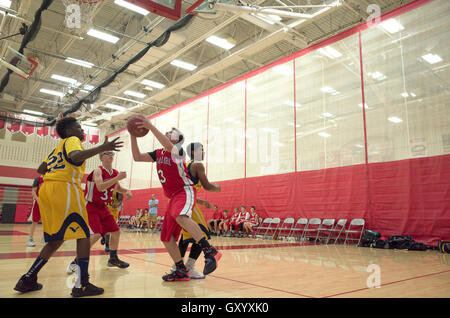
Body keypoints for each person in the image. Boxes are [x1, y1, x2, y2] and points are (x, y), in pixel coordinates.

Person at [14, 116, 123, 297]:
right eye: (78, 127)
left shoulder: (57, 148)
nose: (82, 130)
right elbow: (74, 156)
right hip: (64, 189)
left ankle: (28, 278)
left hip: (48, 190)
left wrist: (57, 170)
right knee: (83, 235)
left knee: (56, 240)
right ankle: (82, 284)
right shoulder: (72, 141)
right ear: (69, 131)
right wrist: (103, 147)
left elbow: (41, 169)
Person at [131, 119, 222, 282]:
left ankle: (210, 251)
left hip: (184, 191)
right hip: (173, 197)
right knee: (166, 237)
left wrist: (150, 126)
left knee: (182, 217)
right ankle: (180, 269)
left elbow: (167, 145)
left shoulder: (178, 151)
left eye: (172, 132)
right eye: (168, 131)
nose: (168, 132)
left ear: (178, 140)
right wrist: (133, 136)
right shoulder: (158, 153)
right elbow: (137, 157)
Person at [67, 150, 132, 273]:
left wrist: (126, 190)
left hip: (102, 206)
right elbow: (100, 186)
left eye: (112, 154)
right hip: (90, 205)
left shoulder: (114, 173)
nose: (110, 156)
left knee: (116, 231)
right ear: (101, 157)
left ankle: (113, 258)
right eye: (107, 154)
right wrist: (117, 178)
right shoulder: (98, 171)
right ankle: (76, 261)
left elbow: (117, 187)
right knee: (97, 234)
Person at [170, 142, 221, 279]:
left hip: (180, 203)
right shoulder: (198, 165)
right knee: (202, 234)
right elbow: (207, 186)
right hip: (188, 204)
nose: (204, 152)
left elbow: (185, 191)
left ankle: (178, 266)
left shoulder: (186, 166)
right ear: (193, 152)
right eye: (201, 150)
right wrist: (217, 187)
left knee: (186, 237)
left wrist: (202, 201)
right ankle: (189, 267)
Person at [27, 175, 44, 247]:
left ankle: (45, 237)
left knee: (47, 221)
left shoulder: (51, 178)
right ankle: (30, 238)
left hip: (48, 203)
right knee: (35, 221)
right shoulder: (38, 179)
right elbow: (33, 191)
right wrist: (37, 199)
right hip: (38, 202)